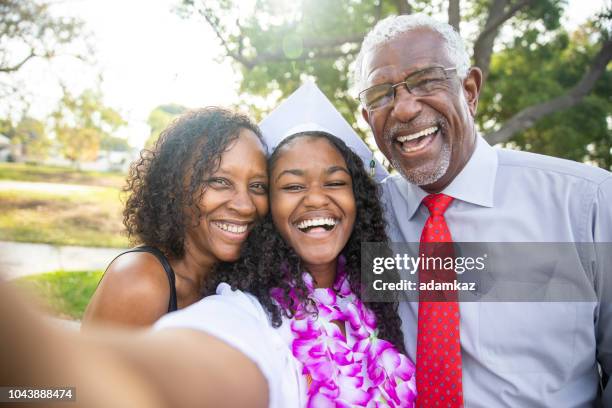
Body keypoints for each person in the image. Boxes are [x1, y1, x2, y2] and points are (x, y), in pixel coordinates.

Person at [353, 13, 612, 407]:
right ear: (368, 117)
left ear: (470, 90)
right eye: (381, 94)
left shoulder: (585, 205)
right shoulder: (364, 218)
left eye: (426, 81)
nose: (404, 108)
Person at [155, 129, 417, 406]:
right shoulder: (251, 313)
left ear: (358, 201)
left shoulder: (379, 298)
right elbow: (197, 346)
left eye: (335, 182)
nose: (316, 199)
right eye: (293, 186)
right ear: (269, 209)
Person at [83, 107, 269, 327]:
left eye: (258, 186)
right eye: (219, 181)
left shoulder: (236, 281)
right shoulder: (139, 281)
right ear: (173, 187)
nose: (245, 205)